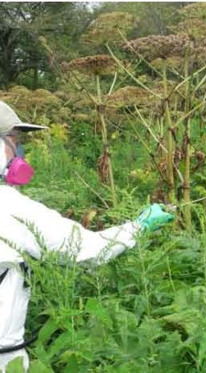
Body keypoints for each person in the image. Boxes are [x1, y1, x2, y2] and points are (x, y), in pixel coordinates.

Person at [0, 101, 174, 372]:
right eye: (14, 140)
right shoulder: (9, 207)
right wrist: (140, 225)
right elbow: (85, 250)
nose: (19, 151)